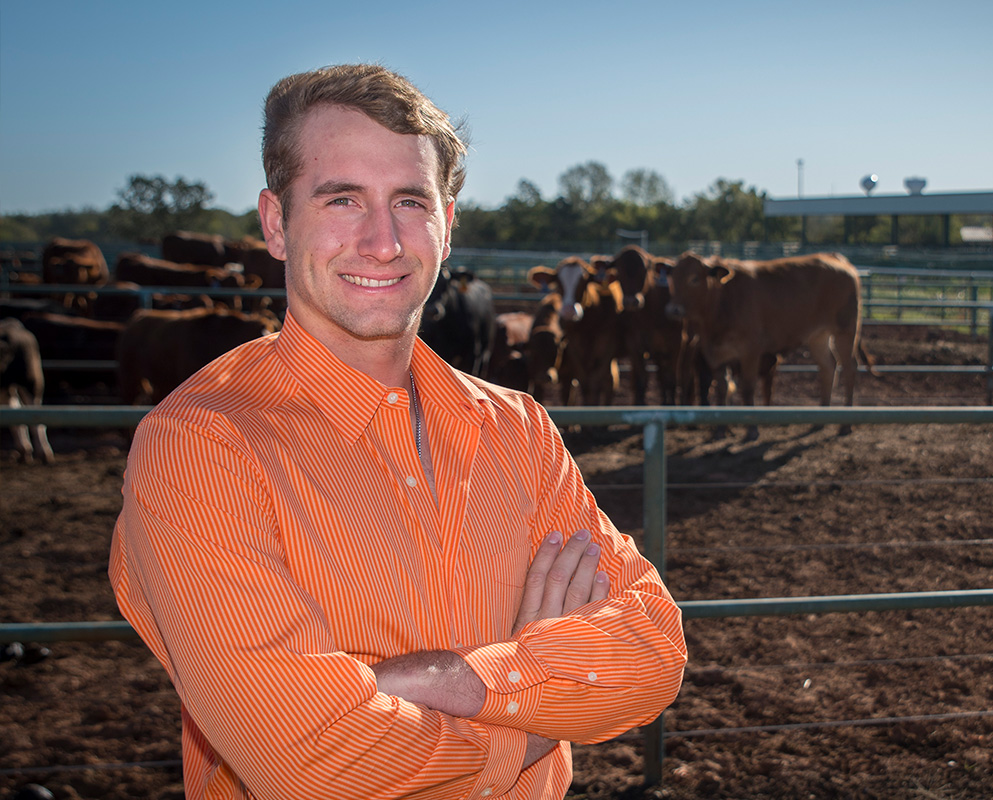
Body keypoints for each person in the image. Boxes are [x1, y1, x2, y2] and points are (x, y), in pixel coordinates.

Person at [109, 63, 687, 800]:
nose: (382, 241)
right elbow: (311, 762)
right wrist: (538, 694)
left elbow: (653, 651)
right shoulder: (201, 447)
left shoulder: (518, 428)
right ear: (276, 223)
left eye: (410, 201)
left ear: (448, 227)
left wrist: (451, 679)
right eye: (342, 198)